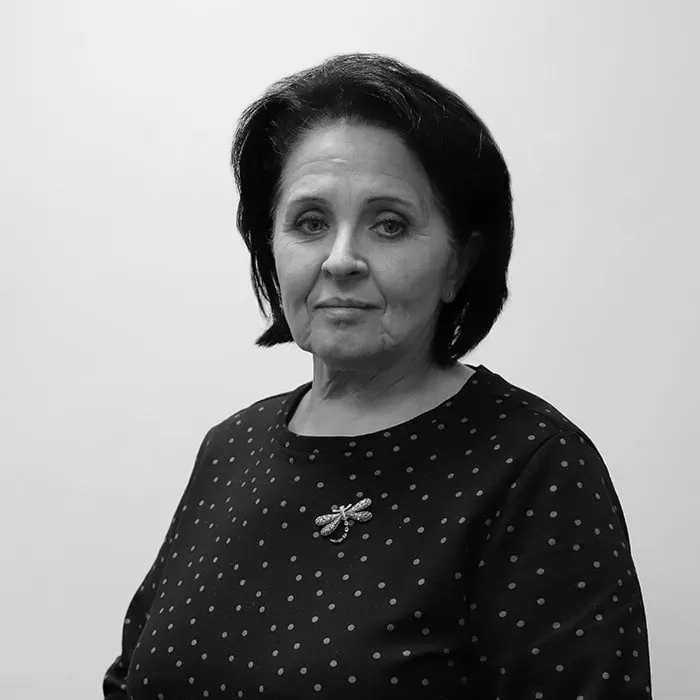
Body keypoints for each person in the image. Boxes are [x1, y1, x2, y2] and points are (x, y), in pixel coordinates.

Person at [103, 52, 652, 699]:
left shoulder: (532, 466)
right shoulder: (231, 448)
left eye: (389, 225)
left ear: (459, 262)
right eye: (310, 222)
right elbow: (131, 680)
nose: (341, 260)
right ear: (270, 247)